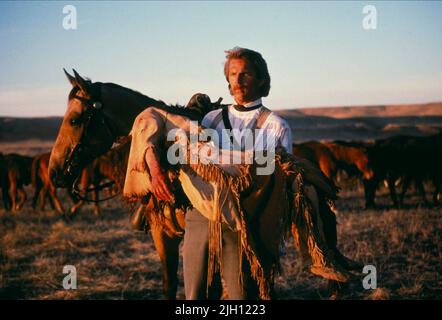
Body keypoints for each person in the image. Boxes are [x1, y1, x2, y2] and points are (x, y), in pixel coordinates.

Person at [140, 47, 354, 300]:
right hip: (201, 214)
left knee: (243, 294)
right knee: (196, 294)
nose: (238, 81)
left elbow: (270, 182)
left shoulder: (276, 125)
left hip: (246, 222)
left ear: (261, 79)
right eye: (233, 74)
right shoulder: (210, 119)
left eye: (246, 74)